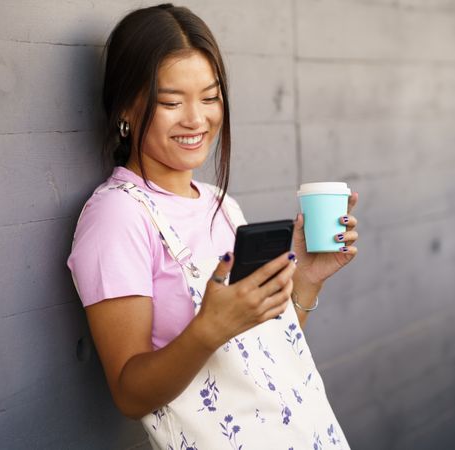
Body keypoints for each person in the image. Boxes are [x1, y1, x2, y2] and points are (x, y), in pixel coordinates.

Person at [67, 4, 359, 449]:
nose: (196, 119)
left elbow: (264, 350)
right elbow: (129, 393)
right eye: (170, 102)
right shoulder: (118, 216)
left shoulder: (223, 208)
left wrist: (308, 280)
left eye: (209, 97)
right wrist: (207, 329)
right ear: (126, 105)